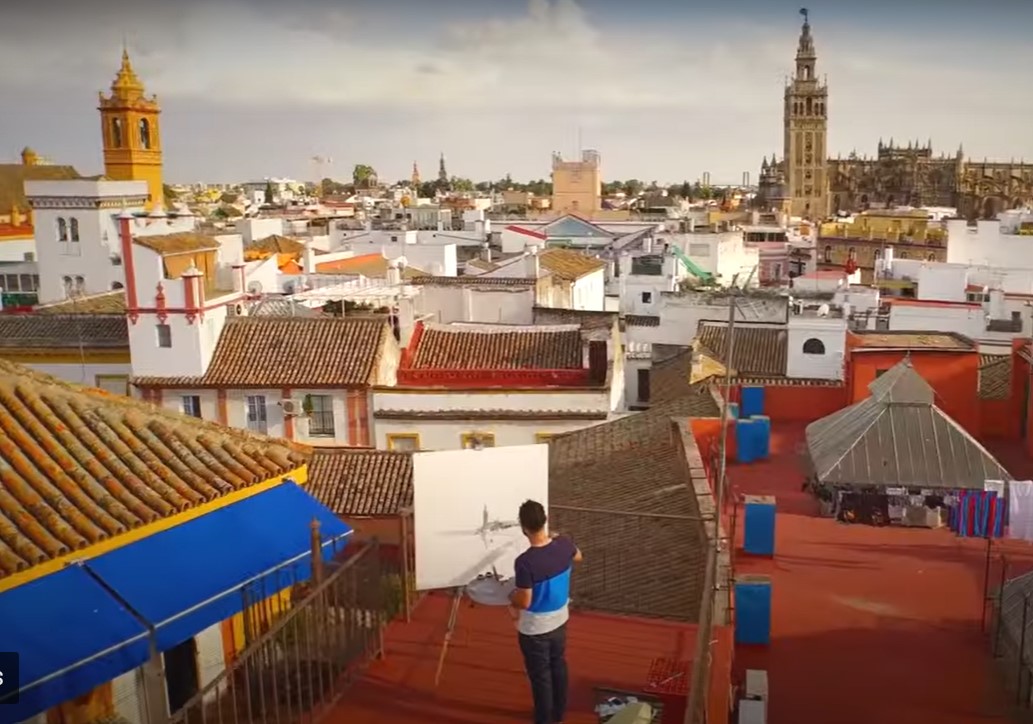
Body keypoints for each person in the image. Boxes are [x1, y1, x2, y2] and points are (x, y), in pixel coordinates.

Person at [508, 499, 583, 724]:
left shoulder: (525, 562)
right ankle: (558, 714)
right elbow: (578, 556)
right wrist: (558, 539)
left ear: (523, 528)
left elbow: (525, 600)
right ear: (545, 521)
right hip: (560, 620)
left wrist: (510, 598)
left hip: (535, 629)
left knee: (541, 677)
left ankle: (544, 719)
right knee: (558, 664)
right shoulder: (564, 544)